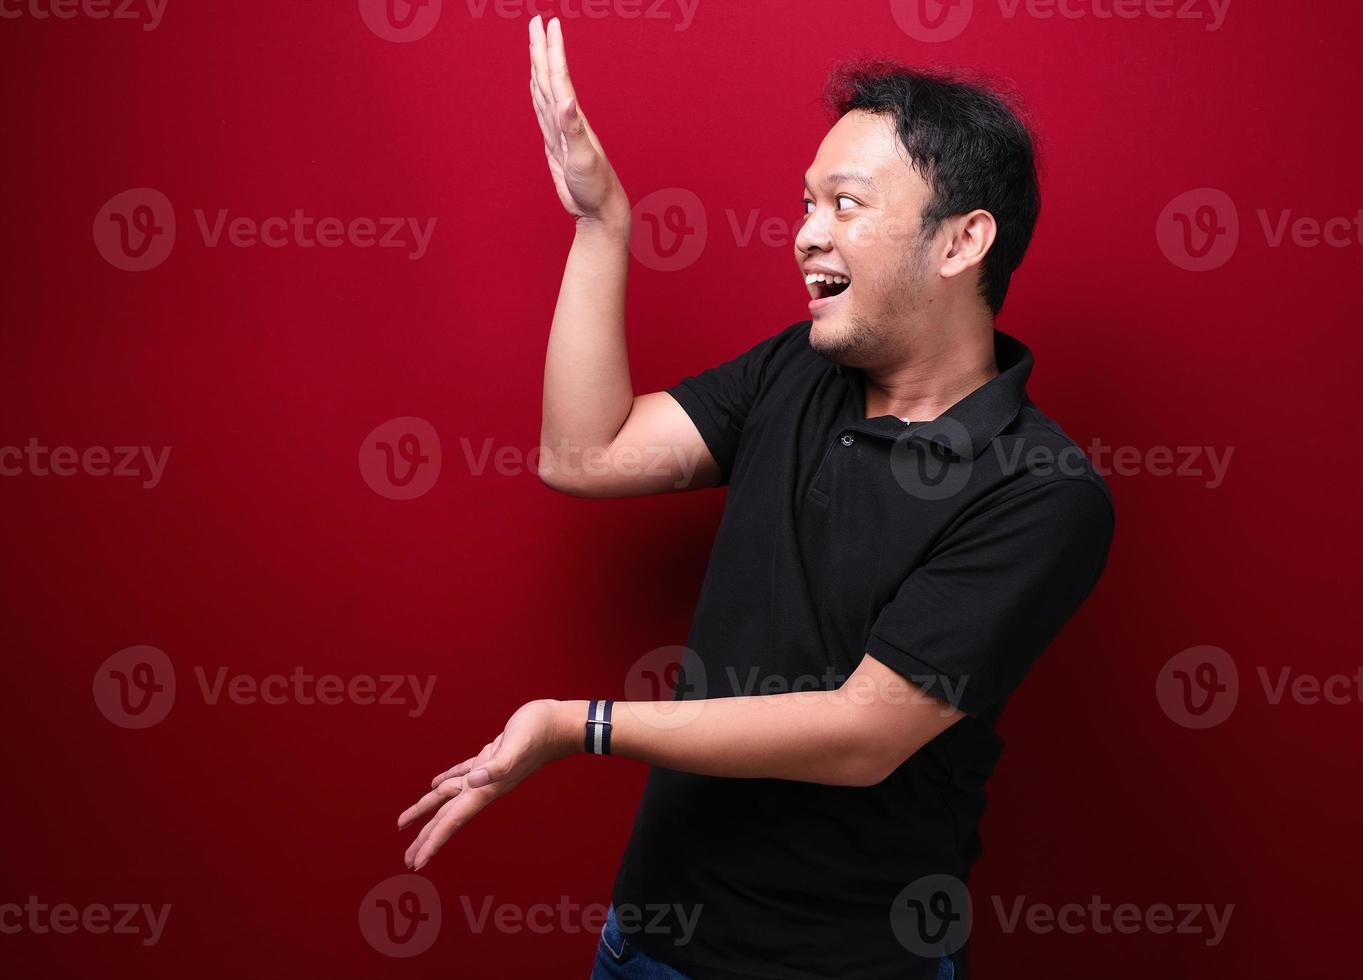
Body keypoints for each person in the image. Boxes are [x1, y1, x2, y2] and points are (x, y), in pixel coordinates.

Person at [397, 15, 1114, 980]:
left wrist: (582, 726)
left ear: (962, 242)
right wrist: (603, 224)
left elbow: (865, 733)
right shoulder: (800, 368)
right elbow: (586, 454)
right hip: (652, 940)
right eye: (807, 201)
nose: (806, 231)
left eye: (847, 204)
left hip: (848, 963)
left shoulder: (1039, 489)